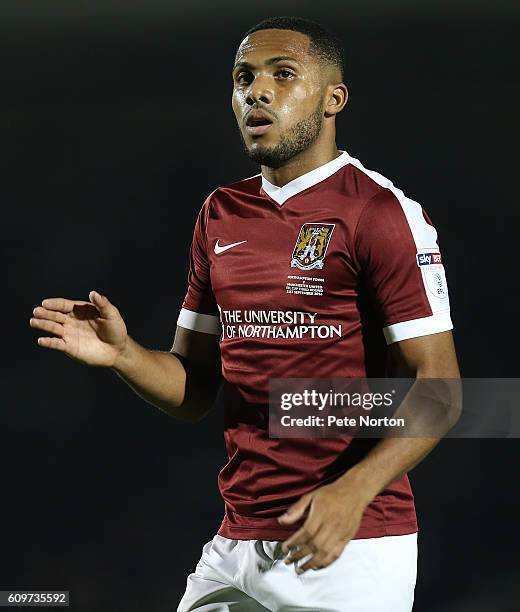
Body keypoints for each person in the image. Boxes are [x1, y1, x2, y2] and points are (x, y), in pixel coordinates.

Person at [29, 16, 461, 612]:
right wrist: (123, 355)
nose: (256, 91)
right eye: (243, 78)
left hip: (348, 545)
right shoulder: (220, 213)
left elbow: (440, 390)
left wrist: (350, 493)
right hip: (236, 544)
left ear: (333, 99)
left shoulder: (382, 213)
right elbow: (195, 389)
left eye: (283, 75)